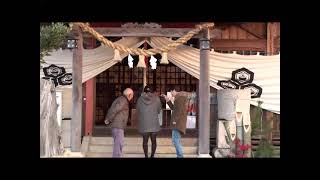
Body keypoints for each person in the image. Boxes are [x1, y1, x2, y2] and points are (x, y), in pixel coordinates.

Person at [161, 86, 191, 158]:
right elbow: (174, 108)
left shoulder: (180, 98)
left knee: (175, 141)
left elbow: (178, 111)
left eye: (171, 92)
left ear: (174, 90)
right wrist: (168, 100)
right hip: (179, 122)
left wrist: (174, 121)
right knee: (176, 140)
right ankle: (179, 156)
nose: (171, 93)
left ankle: (180, 156)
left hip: (178, 123)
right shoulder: (180, 97)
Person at [104, 88, 134, 158]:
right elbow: (115, 109)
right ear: (129, 95)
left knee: (118, 145)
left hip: (117, 125)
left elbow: (114, 109)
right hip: (118, 126)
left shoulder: (121, 99)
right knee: (118, 146)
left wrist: (108, 119)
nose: (132, 97)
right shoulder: (123, 100)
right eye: (132, 95)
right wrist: (108, 119)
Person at [136, 85, 162, 158]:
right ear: (153, 91)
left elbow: (137, 110)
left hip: (144, 125)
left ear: (144, 91)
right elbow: (159, 110)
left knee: (145, 141)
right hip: (154, 124)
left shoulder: (140, 99)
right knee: (154, 141)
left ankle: (146, 156)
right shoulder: (156, 99)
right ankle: (152, 156)